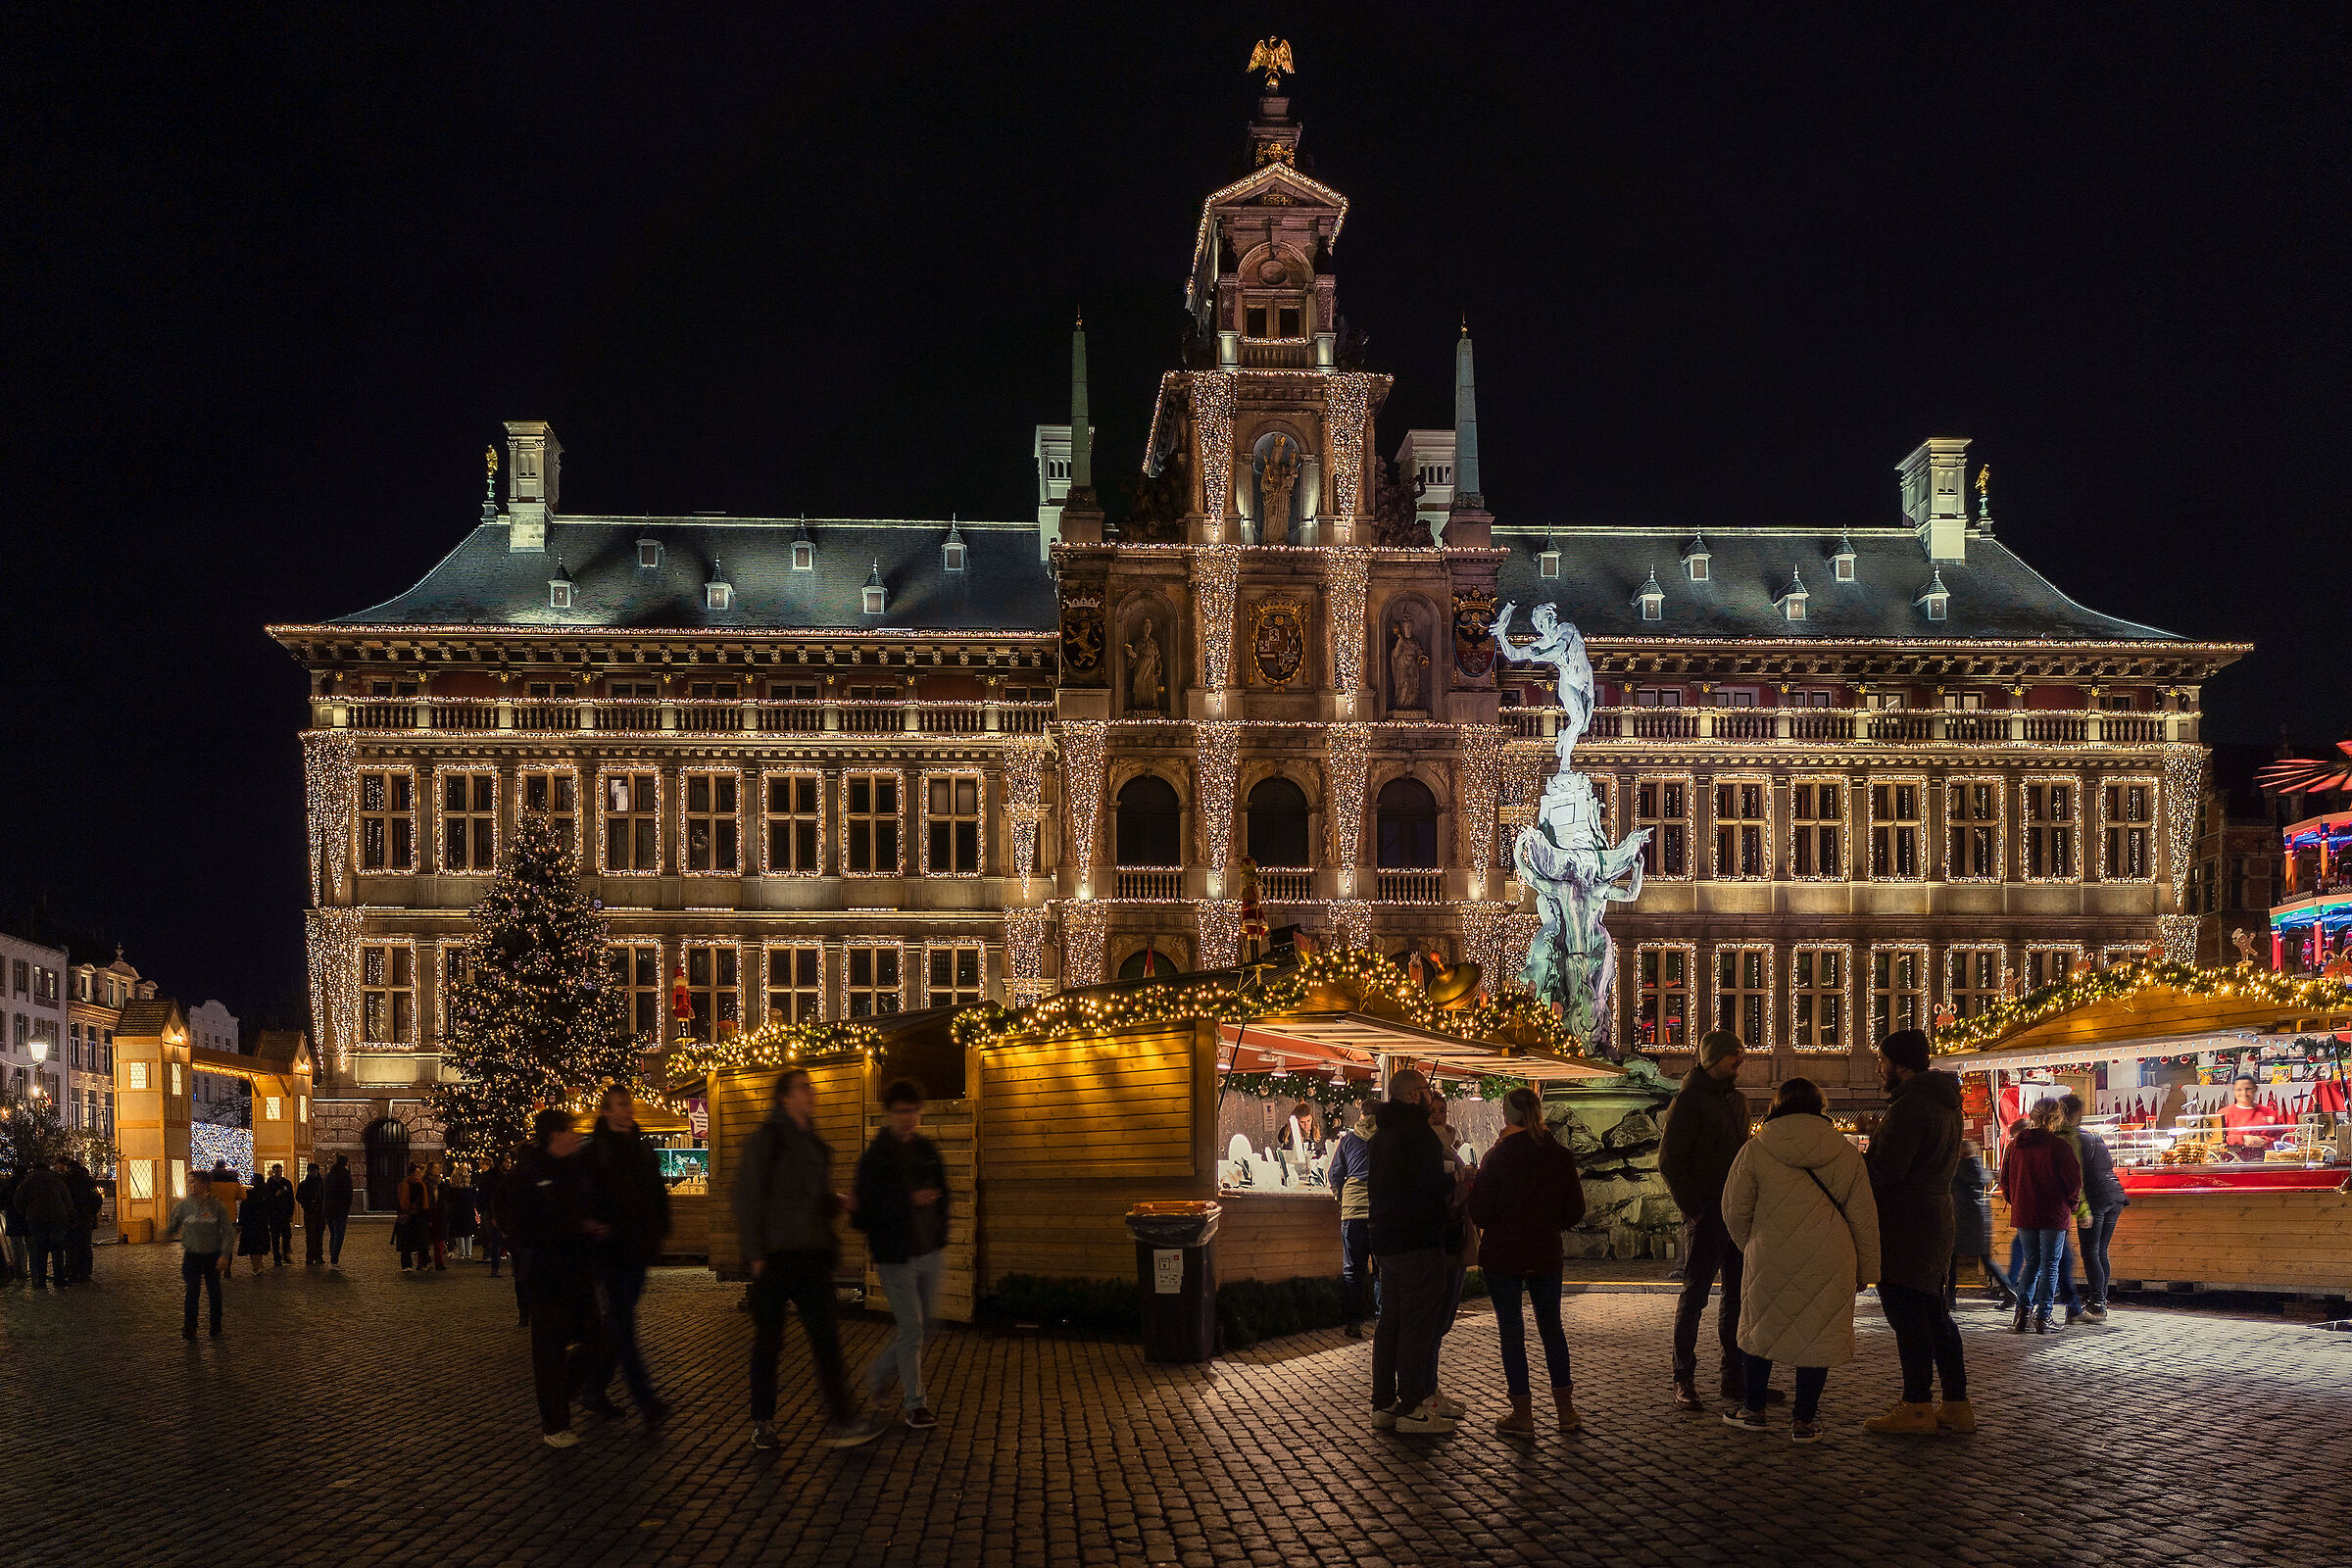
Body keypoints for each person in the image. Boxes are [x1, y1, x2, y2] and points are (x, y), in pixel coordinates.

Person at [1719, 1077, 1881, 1444]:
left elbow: (1733, 1209)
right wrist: (1867, 1269)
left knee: (1761, 1330)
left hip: (1769, 1252)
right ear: (1819, 1107)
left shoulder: (1756, 1149)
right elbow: (1863, 1216)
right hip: (1831, 1255)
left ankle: (1753, 1410)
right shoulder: (1844, 1151)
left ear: (1777, 1106)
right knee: (1817, 1336)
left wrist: (1754, 1243)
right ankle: (1804, 1421)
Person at [733, 1067, 881, 1450]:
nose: (811, 1093)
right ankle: (763, 1421)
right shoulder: (767, 1140)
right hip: (776, 1258)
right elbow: (747, 1197)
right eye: (803, 1088)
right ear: (785, 1097)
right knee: (769, 1343)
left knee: (826, 1341)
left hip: (813, 1255)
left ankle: (843, 1420)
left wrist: (837, 1202)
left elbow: (813, 1199)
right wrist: (755, 1254)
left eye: (810, 1088)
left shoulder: (813, 1143)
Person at [1861, 1029, 1971, 1436]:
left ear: (1901, 1064)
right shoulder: (1944, 1105)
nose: (1879, 1068)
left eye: (1883, 1061)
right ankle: (1956, 1403)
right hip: (1934, 1216)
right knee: (1933, 1313)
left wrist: (1861, 1162)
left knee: (1908, 1315)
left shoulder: (1910, 1107)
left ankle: (1917, 1405)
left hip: (1907, 1222)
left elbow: (1888, 1171)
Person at [1467, 1086, 1587, 1436]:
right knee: (1552, 1329)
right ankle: (1566, 1411)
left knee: (1512, 1332)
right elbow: (1574, 1210)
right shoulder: (1559, 1155)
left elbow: (1480, 1212)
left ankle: (1523, 1414)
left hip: (1503, 1253)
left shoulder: (1497, 1156)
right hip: (1545, 1251)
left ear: (1507, 1116)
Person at [1659, 1030, 1769, 1411]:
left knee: (1737, 1296)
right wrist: (1695, 1209)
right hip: (1707, 1213)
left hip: (1736, 1214)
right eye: (1733, 1056)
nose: (1741, 1061)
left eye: (1741, 1054)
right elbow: (1670, 1160)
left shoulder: (1737, 1101)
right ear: (1712, 1060)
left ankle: (1732, 1375)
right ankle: (1683, 1377)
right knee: (1694, 1297)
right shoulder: (1688, 1101)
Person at [852, 1078, 952, 1431]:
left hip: (928, 1252)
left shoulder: (927, 1151)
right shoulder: (875, 1159)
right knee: (912, 1330)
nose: (908, 1118)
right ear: (889, 1115)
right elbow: (862, 1214)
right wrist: (908, 1202)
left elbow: (944, 1195)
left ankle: (879, 1373)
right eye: (901, 1112)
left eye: (913, 1112)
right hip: (896, 1256)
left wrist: (940, 1234)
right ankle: (915, 1404)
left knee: (926, 1327)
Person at [510, 1107, 612, 1447]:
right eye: (570, 1129)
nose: (576, 1134)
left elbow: (586, 1203)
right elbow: (520, 1220)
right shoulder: (529, 1171)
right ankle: (554, 1424)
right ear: (554, 1135)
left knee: (597, 1341)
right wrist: (574, 1226)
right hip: (546, 1273)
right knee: (549, 1351)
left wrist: (593, 1224)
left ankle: (561, 1392)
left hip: (579, 1270)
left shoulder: (575, 1167)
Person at [1366, 1068, 1456, 1435]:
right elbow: (1432, 1189)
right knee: (1416, 1325)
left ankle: (1383, 1402)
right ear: (1410, 1096)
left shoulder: (1380, 1135)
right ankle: (1413, 1405)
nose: (1429, 1094)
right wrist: (1452, 1181)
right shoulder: (1418, 1135)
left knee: (1390, 1321)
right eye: (1424, 1089)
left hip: (1386, 1240)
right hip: (1417, 1240)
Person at [585, 1084, 672, 1424]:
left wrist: (659, 1230)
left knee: (616, 1326)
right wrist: (592, 1223)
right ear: (606, 1111)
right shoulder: (595, 1153)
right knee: (624, 1325)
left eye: (629, 1104)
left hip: (637, 1249)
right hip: (610, 1253)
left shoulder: (641, 1150)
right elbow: (584, 1197)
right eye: (620, 1105)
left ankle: (590, 1384)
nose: (628, 1110)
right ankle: (645, 1398)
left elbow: (656, 1195)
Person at [2000, 1099, 2083, 1334]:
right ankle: (2043, 1316)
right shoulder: (2059, 1146)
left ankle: (2021, 1315)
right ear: (2057, 1118)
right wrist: (2072, 1204)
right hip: (2053, 1213)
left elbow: (2004, 1179)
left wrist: (2016, 1201)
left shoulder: (2015, 1145)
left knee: (2031, 1263)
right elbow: (2073, 1182)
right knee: (2050, 1265)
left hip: (2024, 1212)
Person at [1421, 1089, 1478, 1421]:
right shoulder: (1430, 1146)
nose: (1439, 1115)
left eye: (1442, 1110)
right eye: (1433, 1110)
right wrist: (1460, 1176)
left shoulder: (1446, 1143)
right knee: (1435, 1321)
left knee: (1442, 1322)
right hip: (1442, 1240)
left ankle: (1431, 1388)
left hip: (1454, 1239)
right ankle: (1426, 1390)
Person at [2061, 1094, 2129, 1323]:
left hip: (2094, 1199)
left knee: (2091, 1251)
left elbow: (2076, 1176)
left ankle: (2098, 1303)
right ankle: (2099, 1301)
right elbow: (2107, 1166)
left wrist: (2081, 1208)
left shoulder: (2069, 1138)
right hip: (2114, 1195)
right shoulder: (2093, 1136)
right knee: (2100, 1251)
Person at [1327, 1103, 1378, 1338]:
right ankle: (1383, 1320)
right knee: (1382, 1271)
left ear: (1362, 1115)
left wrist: (1342, 1196)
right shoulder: (1387, 1138)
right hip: (1380, 1211)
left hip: (1353, 1211)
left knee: (1353, 1270)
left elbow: (1335, 1173)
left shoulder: (1348, 1139)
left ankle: (1353, 1323)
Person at [165, 1169, 233, 1339]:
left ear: (204, 1184)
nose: (192, 1186)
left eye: (195, 1182)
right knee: (192, 1291)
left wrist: (225, 1255)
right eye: (190, 1182)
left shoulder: (216, 1206)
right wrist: (165, 1235)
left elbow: (228, 1231)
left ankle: (215, 1326)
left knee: (214, 1291)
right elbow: (173, 1226)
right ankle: (190, 1326)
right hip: (192, 1254)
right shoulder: (183, 1206)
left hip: (212, 1254)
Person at [1947, 1141, 2013, 1308]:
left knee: (1951, 1260)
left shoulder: (1955, 1169)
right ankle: (2010, 1292)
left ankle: (1949, 1299)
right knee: (1986, 1259)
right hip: (1980, 1218)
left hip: (1960, 1219)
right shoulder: (1980, 1166)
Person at [12, 1157, 74, 1291]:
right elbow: (67, 1199)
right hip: (58, 1217)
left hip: (37, 1218)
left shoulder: (28, 1181)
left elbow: (17, 1199)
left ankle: (41, 1280)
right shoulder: (56, 1179)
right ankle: (59, 1278)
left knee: (40, 1248)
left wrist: (26, 1211)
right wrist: (71, 1216)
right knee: (57, 1248)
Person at [63, 1159, 101, 1284]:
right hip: (85, 1217)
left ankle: (72, 1273)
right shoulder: (88, 1181)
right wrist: (91, 1211)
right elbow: (97, 1198)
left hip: (70, 1218)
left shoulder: (65, 1180)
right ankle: (85, 1273)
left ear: (68, 1168)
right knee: (85, 1245)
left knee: (71, 1246)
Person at [2220, 1073, 2278, 1153]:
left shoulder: (2268, 1112)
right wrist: (2241, 1139)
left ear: (2255, 1089)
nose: (2244, 1093)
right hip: (2232, 1162)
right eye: (2239, 1090)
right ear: (2233, 1090)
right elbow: (2214, 1141)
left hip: (2264, 1161)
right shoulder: (2224, 1113)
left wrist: (2264, 1141)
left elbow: (2281, 1138)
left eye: (2248, 1089)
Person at [479, 1153, 511, 1281]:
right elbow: (487, 1196)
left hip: (504, 1212)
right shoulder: (491, 1177)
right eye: (507, 1162)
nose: (509, 1164)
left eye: (510, 1162)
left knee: (505, 1240)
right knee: (495, 1240)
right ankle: (495, 1268)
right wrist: (489, 1213)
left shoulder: (507, 1176)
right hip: (492, 1213)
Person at [235, 1172, 274, 1276]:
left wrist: (241, 1223)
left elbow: (244, 1209)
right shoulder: (266, 1193)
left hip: (251, 1224)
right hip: (262, 1223)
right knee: (260, 1245)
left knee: (253, 1247)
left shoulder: (250, 1194)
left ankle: (256, 1267)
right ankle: (259, 1265)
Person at [443, 1167, 480, 1262]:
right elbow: (475, 1199)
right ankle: (468, 1252)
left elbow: (448, 1200)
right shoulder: (469, 1189)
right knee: (468, 1233)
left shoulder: (452, 1189)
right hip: (468, 1212)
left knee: (459, 1233)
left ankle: (461, 1252)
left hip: (456, 1213)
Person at [395, 1161, 427, 1270]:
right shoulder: (405, 1185)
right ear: (411, 1174)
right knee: (406, 1242)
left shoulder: (420, 1185)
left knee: (421, 1240)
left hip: (419, 1216)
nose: (419, 1175)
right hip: (407, 1216)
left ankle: (422, 1263)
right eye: (417, 1173)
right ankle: (406, 1265)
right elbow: (400, 1201)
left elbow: (424, 1201)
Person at [323, 1154, 354, 1266]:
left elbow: (324, 1192)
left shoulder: (329, 1175)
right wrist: (347, 1206)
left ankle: (333, 1258)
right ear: (345, 1163)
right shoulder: (345, 1175)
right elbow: (348, 1193)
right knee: (339, 1235)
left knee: (333, 1234)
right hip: (340, 1210)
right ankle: (334, 1260)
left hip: (329, 1210)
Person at [264, 1163, 296, 1266]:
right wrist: (274, 1196)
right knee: (275, 1237)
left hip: (285, 1214)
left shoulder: (286, 1183)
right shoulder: (269, 1184)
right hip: (274, 1215)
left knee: (286, 1236)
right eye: (277, 1171)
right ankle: (276, 1258)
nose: (278, 1173)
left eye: (280, 1171)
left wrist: (291, 1213)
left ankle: (286, 1255)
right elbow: (267, 1200)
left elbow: (291, 1199)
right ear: (273, 1172)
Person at [1, 1170, 28, 1285]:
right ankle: (29, 1271)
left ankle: (19, 1273)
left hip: (13, 1220)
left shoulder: (8, 1185)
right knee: (29, 1246)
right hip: (26, 1219)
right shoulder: (27, 1184)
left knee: (16, 1247)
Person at [297, 1161, 326, 1265]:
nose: (312, 1173)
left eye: (314, 1171)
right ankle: (310, 1256)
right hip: (309, 1212)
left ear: (318, 1171)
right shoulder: (304, 1184)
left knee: (319, 1235)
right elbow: (299, 1197)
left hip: (320, 1213)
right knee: (310, 1235)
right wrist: (307, 1202)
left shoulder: (322, 1184)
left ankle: (318, 1256)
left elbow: (326, 1197)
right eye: (311, 1171)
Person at [423, 1158, 450, 1270]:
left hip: (440, 1215)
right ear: (430, 1170)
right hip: (428, 1214)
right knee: (425, 1241)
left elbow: (446, 1197)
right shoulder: (425, 1183)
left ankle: (439, 1263)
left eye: (439, 1168)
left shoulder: (442, 1184)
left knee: (439, 1241)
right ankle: (423, 1262)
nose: (438, 1170)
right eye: (436, 1168)